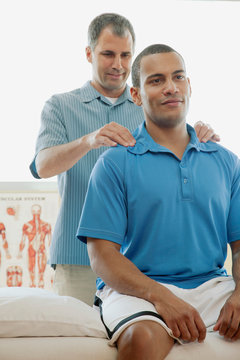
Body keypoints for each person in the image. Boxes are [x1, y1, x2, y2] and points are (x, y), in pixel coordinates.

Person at [30, 13, 219, 305]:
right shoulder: (59, 106)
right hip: (76, 258)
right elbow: (42, 166)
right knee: (80, 347)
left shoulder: (149, 103)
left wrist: (200, 133)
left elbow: (178, 149)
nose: (118, 64)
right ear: (89, 53)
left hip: (136, 263)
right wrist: (88, 141)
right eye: (108, 54)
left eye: (125, 55)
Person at [77, 44, 240, 359]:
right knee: (143, 338)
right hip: (138, 290)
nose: (170, 87)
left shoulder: (227, 162)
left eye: (178, 77)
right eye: (156, 80)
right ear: (136, 95)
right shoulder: (114, 163)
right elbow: (101, 256)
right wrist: (162, 297)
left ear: (188, 86)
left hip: (211, 285)